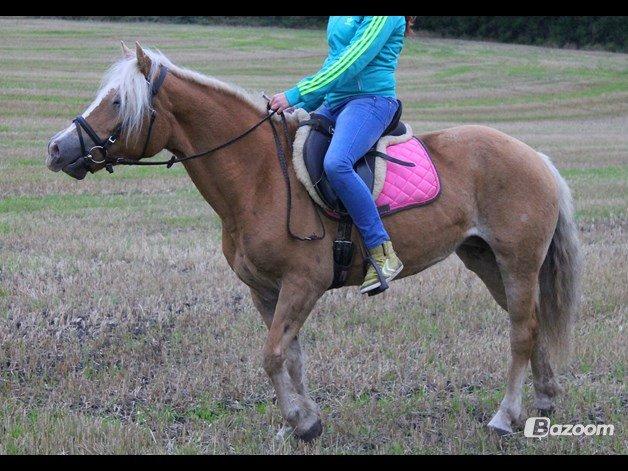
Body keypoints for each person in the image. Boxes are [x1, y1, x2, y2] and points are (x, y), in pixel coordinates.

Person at [270, 16, 413, 294]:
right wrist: (299, 104)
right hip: (334, 102)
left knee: (336, 163)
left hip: (371, 101)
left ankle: (382, 251)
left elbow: (353, 60)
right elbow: (334, 61)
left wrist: (297, 92)